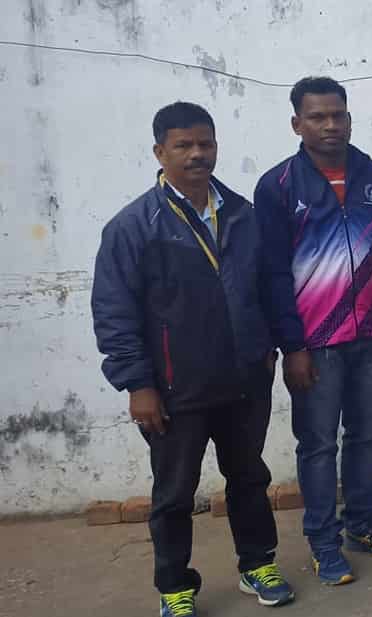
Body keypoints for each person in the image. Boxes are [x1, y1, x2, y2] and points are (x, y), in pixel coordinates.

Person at [91, 102, 295, 617]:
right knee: (174, 493)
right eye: (183, 145)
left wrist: (272, 348)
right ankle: (175, 586)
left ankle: (258, 565)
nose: (197, 154)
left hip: (244, 379)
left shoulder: (242, 214)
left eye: (205, 143)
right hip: (173, 388)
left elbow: (270, 288)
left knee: (249, 479)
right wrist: (138, 384)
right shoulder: (134, 226)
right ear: (160, 152)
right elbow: (114, 311)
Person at [254, 77, 372, 586]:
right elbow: (273, 273)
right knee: (318, 445)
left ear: (349, 118)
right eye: (317, 117)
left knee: (366, 436)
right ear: (297, 123)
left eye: (338, 115)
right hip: (315, 343)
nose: (330, 125)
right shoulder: (277, 186)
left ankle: (364, 523)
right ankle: (323, 541)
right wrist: (292, 345)